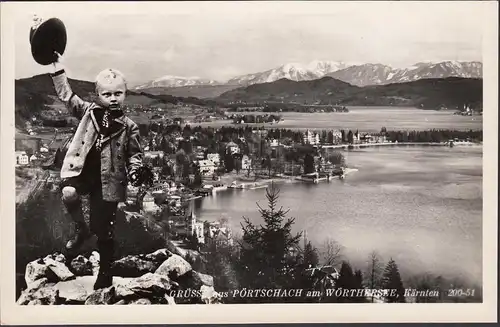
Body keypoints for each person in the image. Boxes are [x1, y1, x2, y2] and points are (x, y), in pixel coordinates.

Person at [48, 52, 143, 289]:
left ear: (125, 94)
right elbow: (66, 96)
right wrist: (57, 67)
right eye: (107, 94)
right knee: (68, 193)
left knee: (104, 231)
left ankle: (105, 273)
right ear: (98, 95)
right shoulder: (88, 112)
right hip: (82, 172)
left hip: (108, 180)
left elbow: (136, 156)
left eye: (117, 93)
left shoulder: (130, 127)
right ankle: (82, 230)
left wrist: (135, 172)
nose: (112, 99)